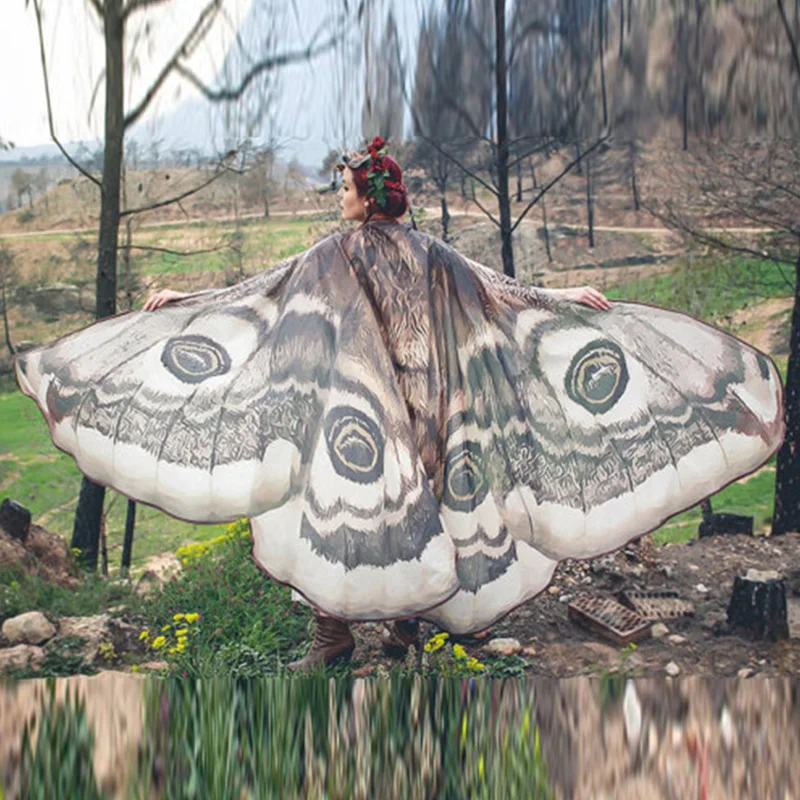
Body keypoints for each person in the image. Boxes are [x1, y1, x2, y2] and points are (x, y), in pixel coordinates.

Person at [15, 138, 784, 672]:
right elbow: (272, 290)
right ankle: (354, 632)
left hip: (413, 408)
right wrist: (192, 298)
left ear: (366, 196)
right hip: (394, 405)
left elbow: (492, 291)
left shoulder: (388, 252)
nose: (336, 197)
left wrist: (565, 299)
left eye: (342, 187)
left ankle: (385, 628)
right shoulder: (377, 252)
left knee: (385, 509)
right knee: (363, 506)